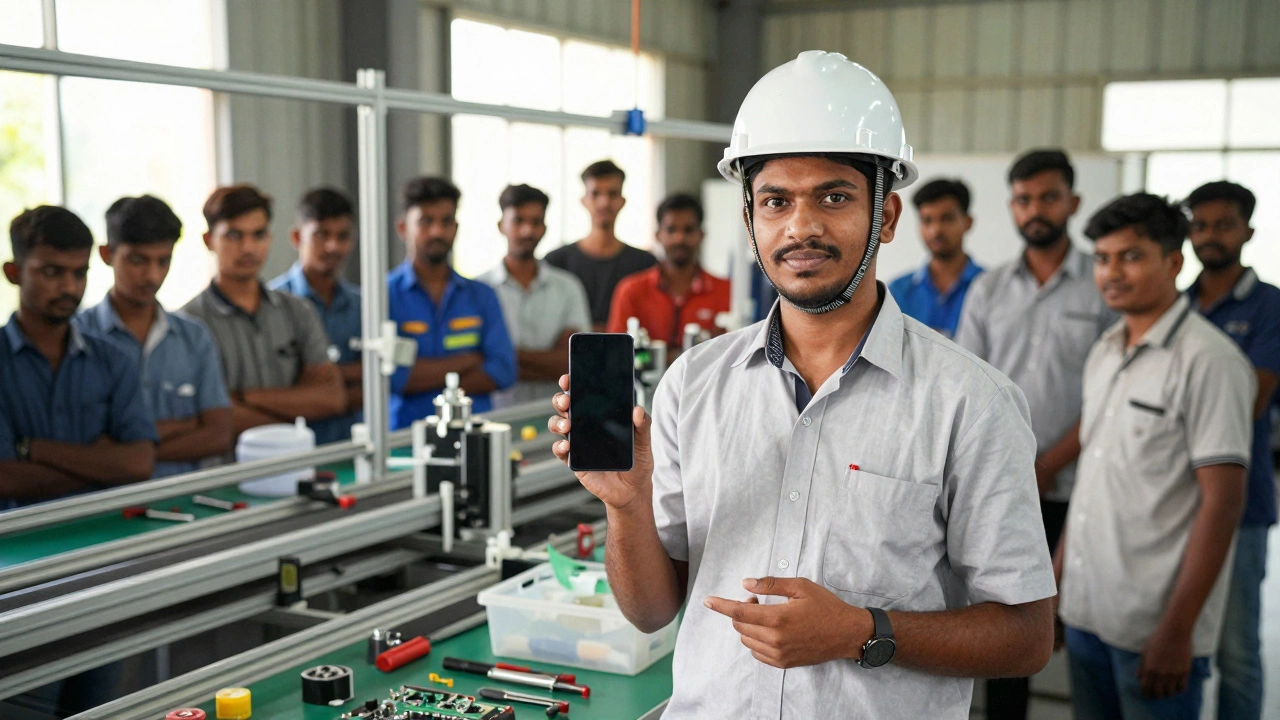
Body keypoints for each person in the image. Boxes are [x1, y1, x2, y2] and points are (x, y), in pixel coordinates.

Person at [548, 51, 1055, 718]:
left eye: (835, 197)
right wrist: (626, 505)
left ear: (888, 216)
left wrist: (863, 632)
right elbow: (650, 613)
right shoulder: (691, 386)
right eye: (776, 201)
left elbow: (1025, 638)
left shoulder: (971, 402)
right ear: (751, 219)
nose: (802, 227)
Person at [1057, 193, 1253, 720]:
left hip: (1153, 628)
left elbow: (1223, 504)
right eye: (1102, 258)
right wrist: (1057, 585)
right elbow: (1092, 481)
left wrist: (1178, 629)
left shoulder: (1210, 362)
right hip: (1085, 611)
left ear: (1173, 261)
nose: (1112, 272)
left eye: (1131, 256)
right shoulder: (1105, 350)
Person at [953, 149, 1116, 719]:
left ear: (1072, 202)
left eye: (1048, 197)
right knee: (1005, 624)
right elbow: (967, 389)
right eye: (1024, 199)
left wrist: (1046, 465)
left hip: (1080, 489)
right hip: (1002, 488)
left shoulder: (1104, 287)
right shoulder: (990, 290)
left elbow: (1110, 395)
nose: (1036, 209)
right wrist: (1016, 467)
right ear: (1011, 208)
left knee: (1077, 626)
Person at [0, 206, 157, 715]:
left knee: (97, 708)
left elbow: (137, 463)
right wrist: (96, 458)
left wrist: (34, 447)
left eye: (79, 272)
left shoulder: (113, 359)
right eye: (51, 271)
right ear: (14, 272)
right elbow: (3, 478)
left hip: (101, 565)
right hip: (17, 575)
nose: (68, 285)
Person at [1183, 181, 1279, 720]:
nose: (1210, 236)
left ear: (1248, 231)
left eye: (1223, 225)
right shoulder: (1178, 303)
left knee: (1237, 650)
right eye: (1200, 225)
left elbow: (1253, 400)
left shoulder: (1270, 306)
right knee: (1180, 639)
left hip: (1240, 505)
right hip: (1177, 503)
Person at [75, 195, 232, 478]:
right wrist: (186, 426)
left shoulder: (194, 337)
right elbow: (75, 442)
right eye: (138, 260)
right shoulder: (77, 337)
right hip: (104, 507)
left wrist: (129, 456)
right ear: (106, 254)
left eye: (164, 261)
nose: (152, 275)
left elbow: (218, 435)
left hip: (185, 502)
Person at [181, 185, 346, 445]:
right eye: (234, 236)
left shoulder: (298, 311)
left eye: (258, 235)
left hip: (293, 468)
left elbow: (332, 398)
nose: (248, 248)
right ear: (209, 240)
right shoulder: (189, 324)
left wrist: (244, 397)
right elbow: (214, 419)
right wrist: (296, 411)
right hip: (223, 473)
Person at [388, 177, 515, 428]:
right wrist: (470, 360)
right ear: (403, 228)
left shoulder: (481, 295)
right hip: (404, 441)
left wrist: (424, 376)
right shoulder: (384, 296)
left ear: (456, 228)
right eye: (426, 221)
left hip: (474, 436)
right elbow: (394, 379)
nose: (437, 231)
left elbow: (503, 370)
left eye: (446, 221)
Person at [479, 184, 591, 406]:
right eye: (518, 220)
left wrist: (504, 358)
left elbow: (572, 363)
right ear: (501, 225)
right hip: (496, 414)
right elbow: (477, 367)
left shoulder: (568, 287)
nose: (528, 231)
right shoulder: (480, 289)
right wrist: (545, 361)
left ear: (545, 228)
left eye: (536, 222)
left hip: (555, 416)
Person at [268, 188, 363, 444]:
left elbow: (380, 381)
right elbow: (276, 387)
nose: (333, 246)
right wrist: (349, 378)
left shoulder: (362, 305)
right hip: (291, 448)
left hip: (351, 445)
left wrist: (318, 386)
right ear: (297, 236)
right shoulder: (272, 305)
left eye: (342, 236)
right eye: (321, 235)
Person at [607, 192, 730, 353]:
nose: (679, 238)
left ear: (701, 235)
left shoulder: (726, 291)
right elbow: (616, 353)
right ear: (658, 235)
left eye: (688, 230)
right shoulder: (630, 290)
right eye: (671, 230)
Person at [544, 160, 657, 329]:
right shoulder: (556, 261)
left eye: (612, 194)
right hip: (569, 354)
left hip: (628, 354)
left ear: (622, 200)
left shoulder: (645, 263)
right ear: (584, 200)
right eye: (595, 194)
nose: (604, 202)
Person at [887, 178, 983, 338]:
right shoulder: (899, 292)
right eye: (927, 220)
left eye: (947, 218)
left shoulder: (990, 287)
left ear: (968, 222)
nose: (936, 230)